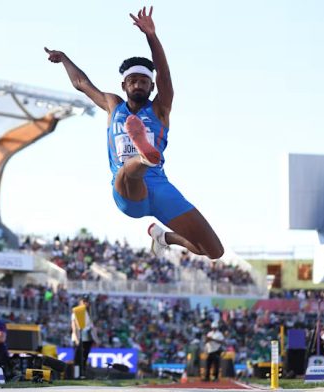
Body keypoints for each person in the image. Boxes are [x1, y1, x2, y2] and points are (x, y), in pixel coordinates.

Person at [44, 6, 224, 260]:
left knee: (213, 251)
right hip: (128, 191)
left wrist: (151, 35)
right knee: (129, 169)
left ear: (151, 86)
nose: (138, 85)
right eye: (133, 81)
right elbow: (81, 84)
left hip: (160, 189)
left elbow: (165, 74)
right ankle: (143, 156)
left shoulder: (160, 109)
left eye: (144, 81)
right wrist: (64, 59)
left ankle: (162, 237)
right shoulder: (113, 105)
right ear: (124, 85)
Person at [71, 296, 98, 378]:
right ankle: (76, 374)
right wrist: (76, 338)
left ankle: (83, 373)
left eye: (87, 302)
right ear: (81, 302)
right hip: (80, 337)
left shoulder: (88, 312)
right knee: (78, 357)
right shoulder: (76, 312)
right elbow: (74, 326)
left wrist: (96, 339)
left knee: (85, 356)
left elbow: (92, 326)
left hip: (88, 337)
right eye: (84, 301)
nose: (86, 303)